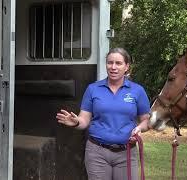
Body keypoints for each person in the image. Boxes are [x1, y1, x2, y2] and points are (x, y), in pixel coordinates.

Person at [56, 48, 150, 180]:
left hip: (126, 152)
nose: (113, 67)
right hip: (97, 152)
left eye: (118, 63)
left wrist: (139, 128)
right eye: (109, 62)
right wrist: (76, 122)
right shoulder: (93, 89)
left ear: (127, 67)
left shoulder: (137, 91)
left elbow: (146, 120)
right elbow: (84, 120)